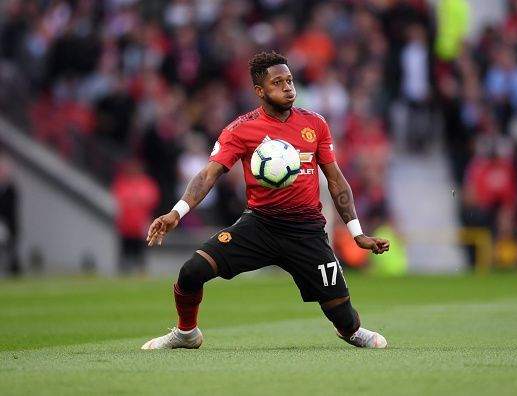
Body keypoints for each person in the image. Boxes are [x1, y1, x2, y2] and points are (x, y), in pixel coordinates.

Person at [141, 52, 390, 350]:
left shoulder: (316, 124)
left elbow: (336, 179)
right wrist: (175, 213)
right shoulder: (240, 129)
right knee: (192, 271)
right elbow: (208, 175)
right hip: (260, 226)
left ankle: (350, 331)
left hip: (307, 231)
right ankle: (186, 333)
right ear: (260, 91)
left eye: (290, 80)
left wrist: (357, 233)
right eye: (278, 82)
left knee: (343, 315)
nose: (288, 88)